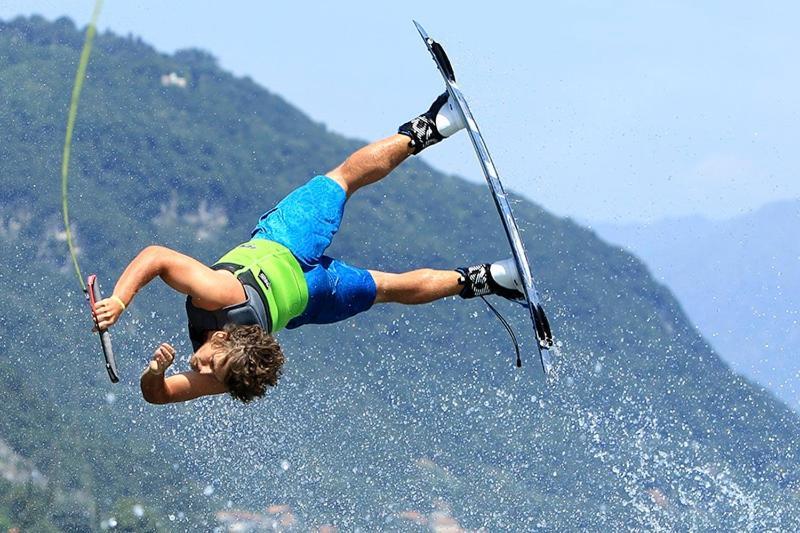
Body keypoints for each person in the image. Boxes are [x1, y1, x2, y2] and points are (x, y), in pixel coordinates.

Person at [92, 93, 524, 404]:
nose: (200, 369)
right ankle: (436, 128)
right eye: (209, 367)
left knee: (387, 284)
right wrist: (130, 323)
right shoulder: (220, 317)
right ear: (225, 339)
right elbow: (156, 258)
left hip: (304, 290)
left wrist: (131, 323)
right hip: (293, 255)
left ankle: (490, 278)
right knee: (343, 182)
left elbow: (157, 261)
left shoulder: (225, 355)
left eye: (207, 368)